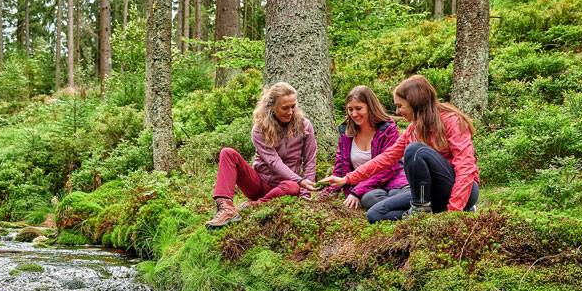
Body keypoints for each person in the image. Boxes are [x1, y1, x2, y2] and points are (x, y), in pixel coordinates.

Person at [316, 75, 479, 222]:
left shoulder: (452, 121)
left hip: (462, 190)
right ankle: (425, 214)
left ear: (414, 103)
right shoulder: (413, 129)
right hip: (430, 193)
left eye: (400, 106)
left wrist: (454, 211)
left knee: (415, 151)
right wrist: (348, 179)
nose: (397, 111)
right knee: (374, 215)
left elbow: (465, 168)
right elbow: (386, 158)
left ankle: (427, 209)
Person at [205, 82, 318, 229]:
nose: (290, 111)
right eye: (284, 108)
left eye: (293, 106)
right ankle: (226, 207)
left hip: (284, 187)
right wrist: (300, 180)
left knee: (292, 187)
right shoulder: (260, 128)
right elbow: (273, 162)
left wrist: (305, 194)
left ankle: (254, 205)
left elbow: (310, 160)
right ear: (271, 107)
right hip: (259, 183)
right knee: (228, 153)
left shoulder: (304, 125)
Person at [323, 86, 409, 217]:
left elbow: (388, 167)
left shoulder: (387, 129)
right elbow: (340, 169)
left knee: (395, 194)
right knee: (369, 199)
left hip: (393, 180)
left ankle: (404, 208)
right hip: (369, 188)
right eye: (350, 109)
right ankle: (406, 211)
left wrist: (356, 191)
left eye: (359, 108)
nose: (354, 114)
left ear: (370, 107)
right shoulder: (346, 133)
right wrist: (328, 192)